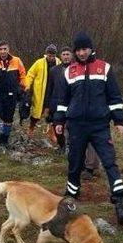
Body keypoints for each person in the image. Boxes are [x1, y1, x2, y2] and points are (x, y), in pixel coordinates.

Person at [53, 32, 123, 224]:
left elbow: (114, 97)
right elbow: (62, 101)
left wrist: (119, 121)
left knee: (109, 162)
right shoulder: (68, 72)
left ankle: (120, 202)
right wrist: (59, 122)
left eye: (84, 49)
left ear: (91, 48)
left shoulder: (104, 68)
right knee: (75, 163)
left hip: (99, 126)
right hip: (77, 125)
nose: (81, 53)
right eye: (78, 50)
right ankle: (71, 196)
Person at [46, 47, 100, 176]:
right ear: (61, 56)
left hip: (79, 106)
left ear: (72, 55)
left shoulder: (79, 69)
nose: (65, 57)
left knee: (83, 135)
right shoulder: (54, 70)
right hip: (58, 104)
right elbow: (50, 89)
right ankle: (67, 151)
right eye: (63, 54)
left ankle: (88, 166)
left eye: (68, 54)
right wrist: (47, 107)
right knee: (65, 132)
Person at [0, 40, 27, 152]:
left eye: (5, 49)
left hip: (10, 94)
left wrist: (24, 89)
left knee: (8, 119)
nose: (3, 51)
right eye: (0, 49)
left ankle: (4, 141)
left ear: (8, 49)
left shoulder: (16, 60)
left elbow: (23, 75)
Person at [25, 44, 60, 136]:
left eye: (53, 55)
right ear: (46, 54)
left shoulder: (59, 63)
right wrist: (27, 86)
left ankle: (51, 132)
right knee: (37, 113)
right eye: (49, 55)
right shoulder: (39, 63)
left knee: (53, 114)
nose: (51, 57)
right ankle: (31, 127)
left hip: (53, 92)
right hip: (40, 92)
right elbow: (30, 74)